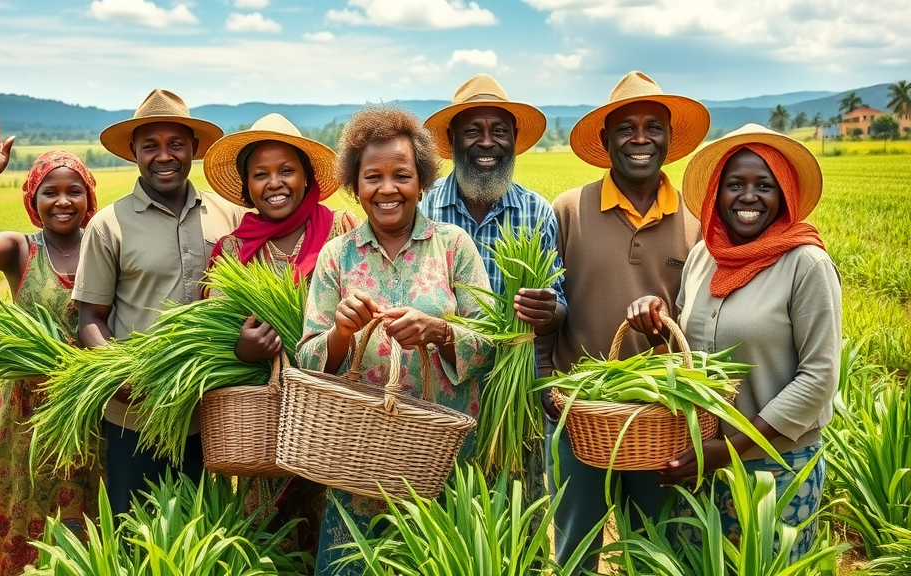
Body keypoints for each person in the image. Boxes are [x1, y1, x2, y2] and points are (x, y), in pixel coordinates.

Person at [626, 123, 841, 562]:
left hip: (777, 467)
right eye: (734, 184)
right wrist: (658, 333)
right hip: (702, 461)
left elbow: (819, 379)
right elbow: (691, 356)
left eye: (764, 185)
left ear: (783, 195)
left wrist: (728, 449)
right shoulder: (705, 254)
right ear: (716, 194)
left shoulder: (806, 264)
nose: (748, 196)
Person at [297, 106, 495, 576]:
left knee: (438, 563)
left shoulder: (453, 247)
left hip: (442, 460)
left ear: (421, 181)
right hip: (357, 461)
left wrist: (441, 332)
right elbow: (306, 360)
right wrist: (341, 333)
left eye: (401, 175)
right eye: (373, 177)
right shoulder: (337, 256)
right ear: (355, 185)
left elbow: (490, 344)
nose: (387, 189)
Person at [546, 70, 710, 571]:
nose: (640, 139)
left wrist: (665, 324)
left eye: (653, 127)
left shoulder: (696, 220)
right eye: (626, 128)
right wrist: (546, 396)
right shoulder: (568, 211)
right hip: (582, 417)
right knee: (575, 547)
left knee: (656, 549)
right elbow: (547, 312)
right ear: (606, 139)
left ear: (668, 139)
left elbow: (703, 320)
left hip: (660, 419)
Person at [72, 88, 247, 515]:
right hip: (136, 416)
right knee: (137, 535)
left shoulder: (228, 215)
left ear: (194, 149)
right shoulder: (107, 224)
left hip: (210, 413)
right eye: (150, 146)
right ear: (134, 151)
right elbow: (90, 319)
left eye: (176, 144)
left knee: (208, 530)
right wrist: (123, 377)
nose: (163, 156)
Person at [201, 112, 359, 560]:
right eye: (261, 174)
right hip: (267, 423)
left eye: (287, 170)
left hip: (338, 413)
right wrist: (240, 346)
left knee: (341, 539)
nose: (275, 183)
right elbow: (213, 331)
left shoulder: (341, 231)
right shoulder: (233, 250)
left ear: (307, 177)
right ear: (246, 186)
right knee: (272, 542)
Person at [0, 116, 99, 575]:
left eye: (74, 190)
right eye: (49, 191)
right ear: (33, 199)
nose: (62, 200)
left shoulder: (102, 245)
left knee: (86, 510)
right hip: (27, 410)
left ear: (89, 198)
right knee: (25, 504)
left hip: (87, 405)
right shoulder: (21, 249)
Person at [421, 73, 566, 508]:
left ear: (514, 140)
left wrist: (549, 311)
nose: (488, 142)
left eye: (499, 131)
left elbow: (560, 301)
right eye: (473, 131)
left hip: (516, 394)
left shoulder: (536, 211)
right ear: (452, 139)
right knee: (444, 514)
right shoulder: (423, 208)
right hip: (440, 392)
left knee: (521, 512)